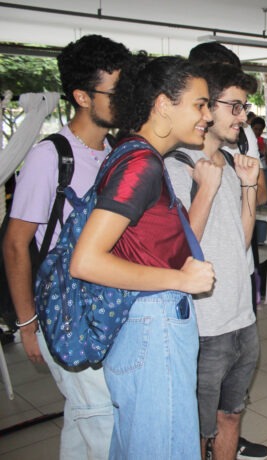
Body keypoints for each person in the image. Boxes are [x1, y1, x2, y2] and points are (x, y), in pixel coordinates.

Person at [69, 54, 216, 459]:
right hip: (153, 328)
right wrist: (180, 280)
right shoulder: (140, 163)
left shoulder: (137, 154)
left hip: (149, 325)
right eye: (200, 104)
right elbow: (86, 261)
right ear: (164, 103)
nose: (207, 115)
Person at [2, 34, 129, 460]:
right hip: (67, 310)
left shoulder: (113, 149)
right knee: (104, 422)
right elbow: (16, 244)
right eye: (116, 91)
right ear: (82, 96)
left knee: (83, 416)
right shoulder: (50, 156)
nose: (126, 99)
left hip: (103, 304)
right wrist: (27, 324)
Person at [165, 64, 267, 460]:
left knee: (231, 416)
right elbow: (179, 251)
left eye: (244, 108)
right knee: (196, 428)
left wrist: (245, 185)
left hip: (241, 316)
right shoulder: (174, 167)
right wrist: (204, 190)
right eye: (235, 107)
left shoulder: (229, 161)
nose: (243, 117)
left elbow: (241, 243)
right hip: (203, 325)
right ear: (206, 108)